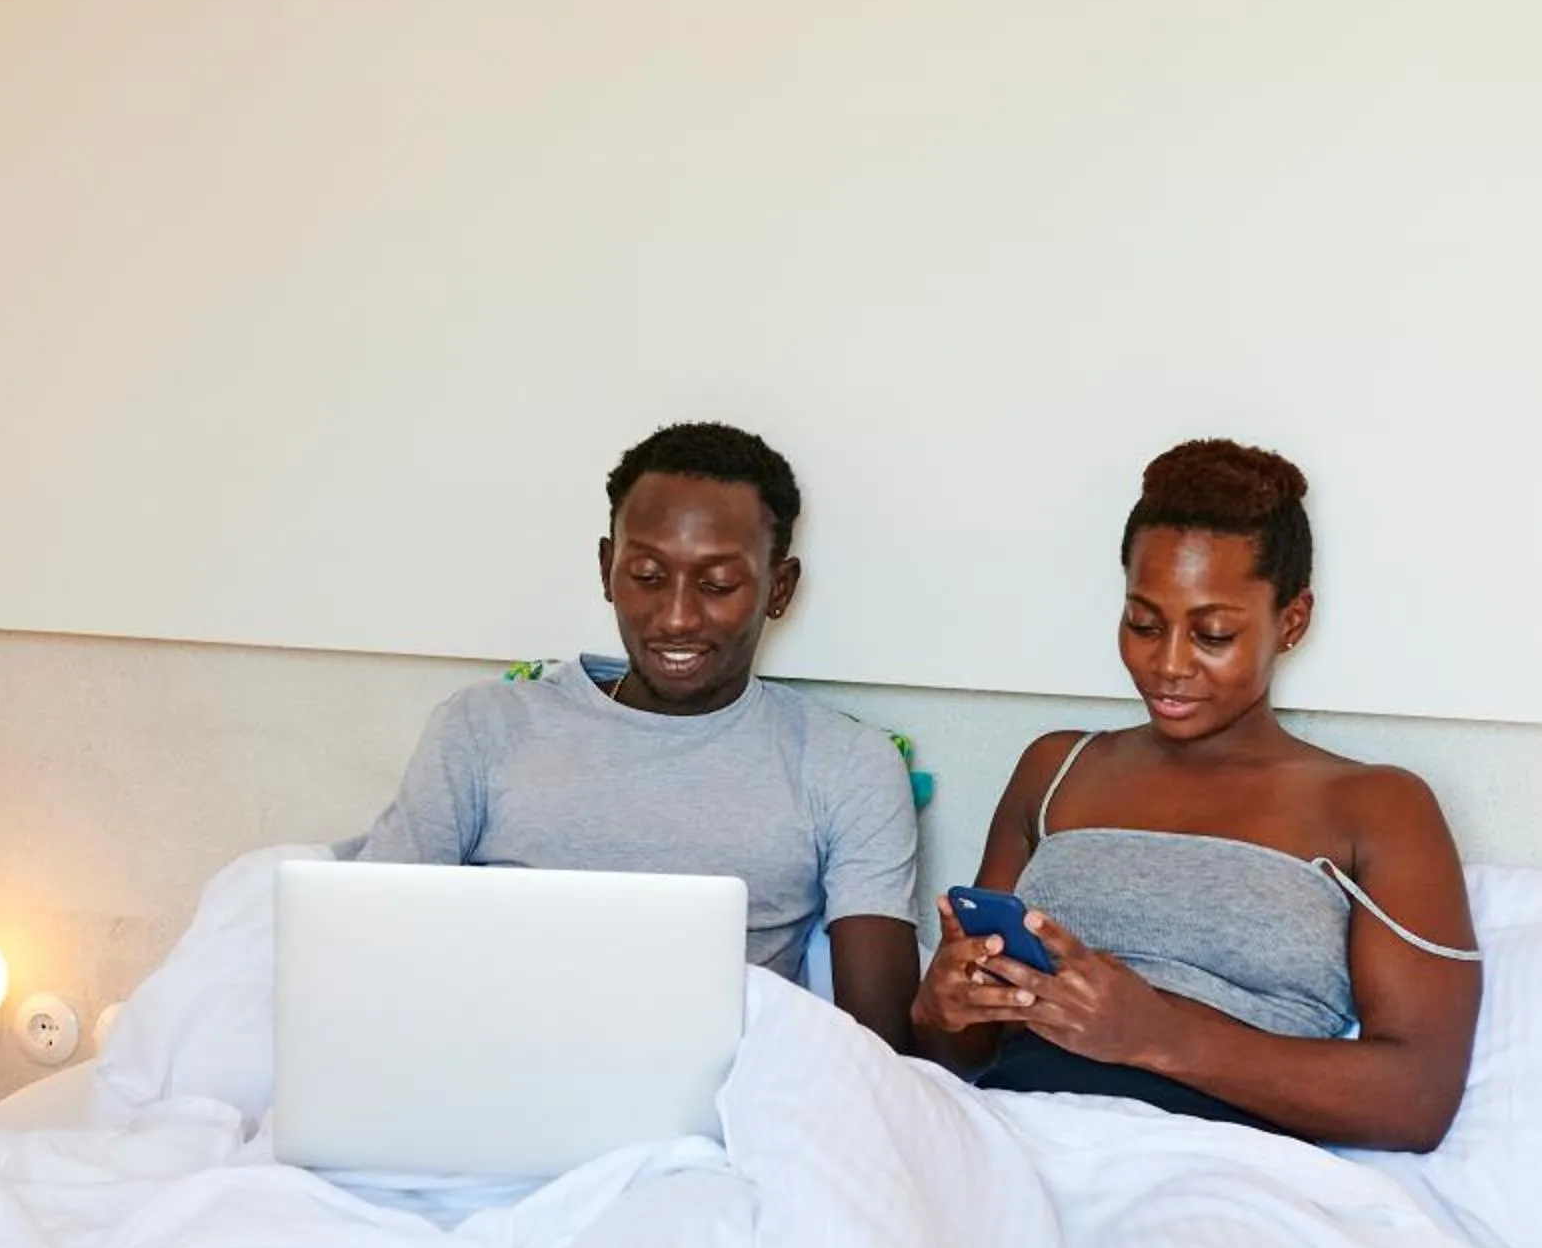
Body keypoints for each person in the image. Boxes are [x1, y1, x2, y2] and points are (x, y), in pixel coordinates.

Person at [910, 440, 1482, 1150]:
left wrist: (1158, 1035)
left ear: (1292, 622)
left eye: (1213, 634)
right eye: (1144, 624)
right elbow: (963, 1055)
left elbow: (1417, 1101)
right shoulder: (1057, 770)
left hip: (1209, 1168)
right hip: (1006, 1140)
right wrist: (944, 1008)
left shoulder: (1376, 807)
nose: (1169, 663)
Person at [358, 421, 924, 1050]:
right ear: (607, 570)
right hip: (488, 1065)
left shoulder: (846, 763)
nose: (677, 617)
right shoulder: (483, 727)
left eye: (717, 585)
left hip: (720, 1114)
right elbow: (367, 954)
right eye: (649, 576)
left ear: (779, 588)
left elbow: (880, 1049)